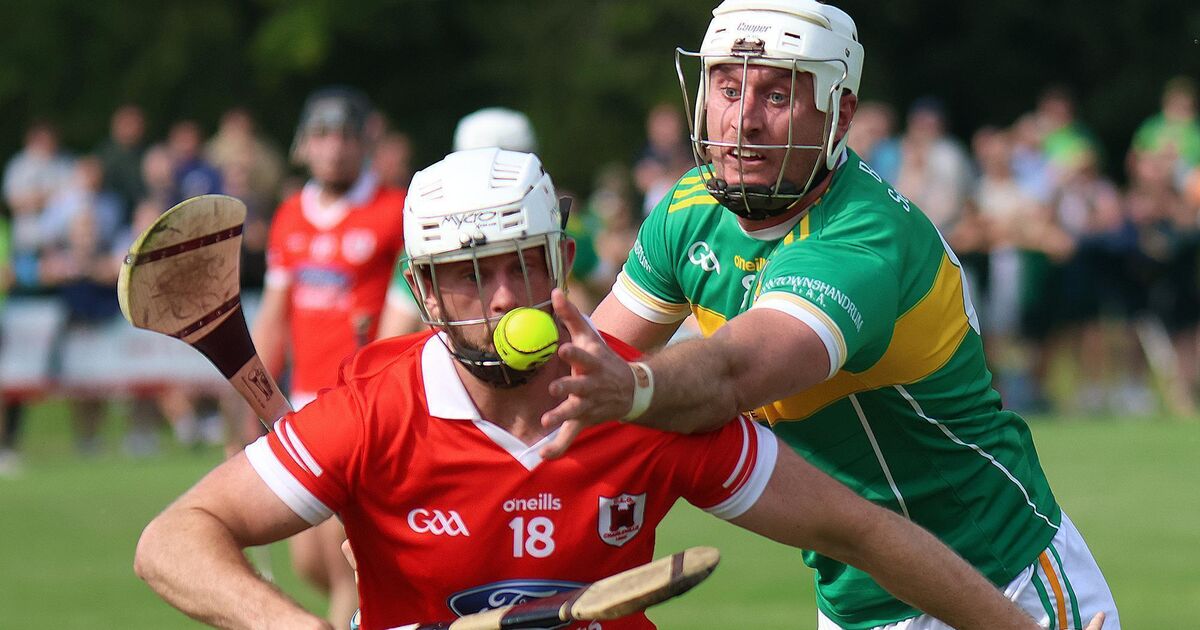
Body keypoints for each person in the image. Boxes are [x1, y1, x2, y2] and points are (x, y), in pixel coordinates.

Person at [135, 148, 1078, 630]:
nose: (502, 299)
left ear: (561, 261)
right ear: (422, 290)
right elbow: (172, 541)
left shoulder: (638, 405)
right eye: (469, 276)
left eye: (521, 264)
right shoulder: (376, 414)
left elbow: (860, 530)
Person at [539, 2, 1118, 629]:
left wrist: (630, 387)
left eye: (776, 96)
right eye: (728, 89)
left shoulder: (862, 235)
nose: (743, 120)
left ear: (839, 114)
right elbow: (585, 369)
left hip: (1000, 579)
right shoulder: (687, 211)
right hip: (852, 604)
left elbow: (733, 373)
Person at [244, 86, 407, 628]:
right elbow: (275, 314)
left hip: (359, 403)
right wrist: (252, 393)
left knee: (342, 565)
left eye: (344, 136)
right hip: (300, 405)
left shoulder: (393, 210)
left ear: (365, 142)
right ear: (303, 145)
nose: (333, 148)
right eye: (321, 136)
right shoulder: (291, 214)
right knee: (309, 560)